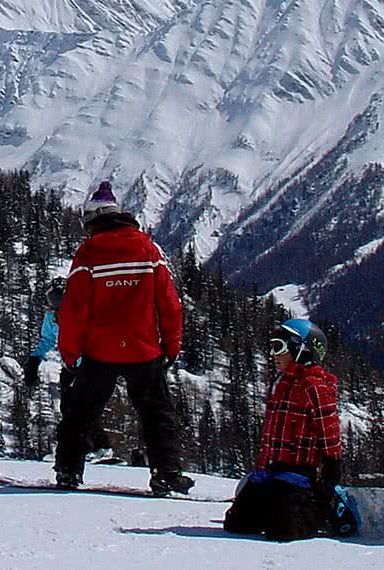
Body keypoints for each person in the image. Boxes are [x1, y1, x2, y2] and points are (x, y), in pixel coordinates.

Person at [53, 181, 191, 495]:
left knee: (81, 411)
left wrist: (69, 353)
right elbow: (169, 303)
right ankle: (167, 472)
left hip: (100, 350)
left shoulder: (89, 252)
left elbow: (75, 309)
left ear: (93, 219)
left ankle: (68, 470)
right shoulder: (148, 249)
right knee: (156, 412)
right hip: (144, 349)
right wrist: (172, 345)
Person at [223, 319, 344, 542]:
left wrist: (331, 469)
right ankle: (271, 503)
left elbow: (329, 431)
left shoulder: (314, 387)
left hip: (297, 473)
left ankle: (326, 510)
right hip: (268, 471)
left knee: (283, 531)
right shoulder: (280, 382)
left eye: (279, 347)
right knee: (237, 525)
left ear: (301, 350)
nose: (273, 354)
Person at [25, 284, 113, 462]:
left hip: (90, 364)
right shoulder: (52, 316)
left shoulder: (82, 311)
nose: (57, 308)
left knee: (83, 406)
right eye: (53, 303)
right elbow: (48, 339)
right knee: (68, 406)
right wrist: (35, 360)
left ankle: (96, 447)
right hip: (70, 365)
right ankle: (87, 447)